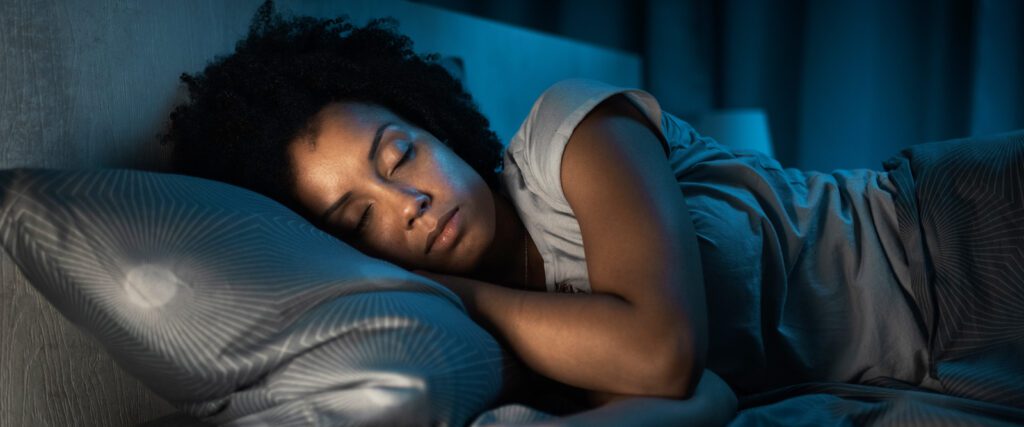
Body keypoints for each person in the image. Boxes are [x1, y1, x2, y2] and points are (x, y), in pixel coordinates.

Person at [165, 1, 1024, 423]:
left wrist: (459, 295)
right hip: (936, 376)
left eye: (399, 154)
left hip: (960, 234)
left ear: (434, 123)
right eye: (358, 220)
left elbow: (660, 353)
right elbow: (704, 397)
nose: (412, 202)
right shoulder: (500, 354)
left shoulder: (569, 133)